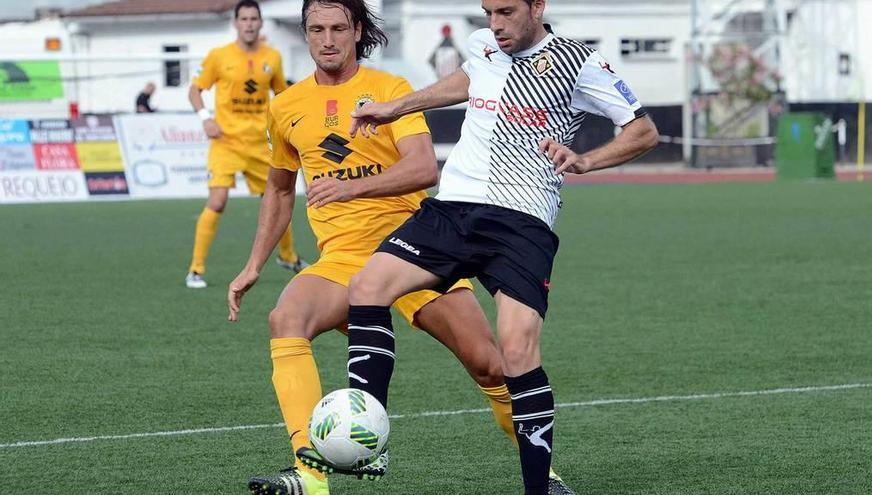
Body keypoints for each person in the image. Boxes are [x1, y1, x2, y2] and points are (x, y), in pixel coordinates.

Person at [226, 0, 575, 494]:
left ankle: (545, 473)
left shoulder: (390, 90)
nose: (327, 40)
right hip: (342, 259)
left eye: (338, 28)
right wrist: (253, 265)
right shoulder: (285, 107)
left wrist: (350, 188)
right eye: (316, 29)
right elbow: (280, 190)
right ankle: (310, 476)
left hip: (413, 252)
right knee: (286, 319)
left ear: (357, 30)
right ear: (304, 34)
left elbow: (423, 170)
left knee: (490, 363)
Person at [342, 0, 660, 493]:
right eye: (489, 11)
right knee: (367, 286)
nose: (495, 24)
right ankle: (367, 438)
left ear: (538, 6)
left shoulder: (581, 62)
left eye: (507, 11)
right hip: (455, 208)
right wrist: (395, 107)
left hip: (522, 221)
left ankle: (538, 488)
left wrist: (585, 160)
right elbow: (467, 80)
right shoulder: (484, 45)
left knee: (516, 350)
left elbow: (642, 131)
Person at [185, 0, 305, 289]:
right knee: (217, 201)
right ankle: (196, 269)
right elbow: (195, 89)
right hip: (226, 142)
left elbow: (282, 94)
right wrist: (205, 118)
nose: (249, 24)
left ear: (261, 23)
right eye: (244, 19)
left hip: (260, 145)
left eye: (254, 19)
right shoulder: (219, 56)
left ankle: (288, 257)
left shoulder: (272, 57)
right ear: (236, 23)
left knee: (278, 199)